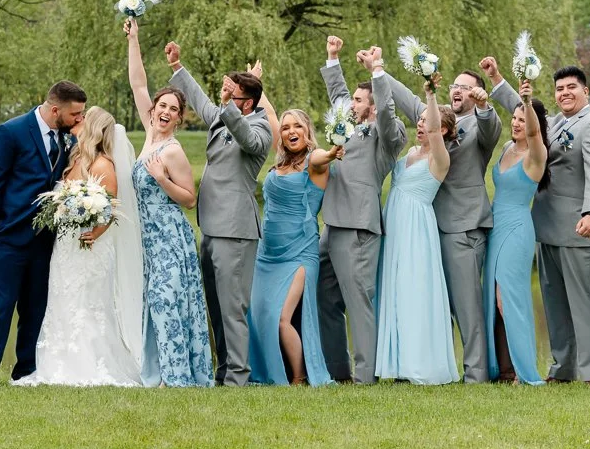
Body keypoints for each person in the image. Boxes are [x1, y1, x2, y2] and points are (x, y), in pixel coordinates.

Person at [487, 60, 590, 383]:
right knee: (554, 305)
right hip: (543, 227)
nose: (565, 93)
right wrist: (498, 80)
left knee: (583, 305)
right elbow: (525, 114)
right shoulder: (554, 125)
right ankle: (562, 368)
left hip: (576, 227)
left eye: (572, 87)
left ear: (585, 91)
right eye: (559, 89)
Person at [381, 64, 501, 382]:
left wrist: (486, 104)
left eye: (465, 87)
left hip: (462, 225)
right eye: (454, 86)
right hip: (423, 226)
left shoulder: (481, 125)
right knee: (430, 301)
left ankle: (476, 373)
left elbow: (491, 127)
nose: (457, 90)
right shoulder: (436, 115)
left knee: (467, 304)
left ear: (476, 95)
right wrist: (379, 71)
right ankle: (433, 364)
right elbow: (408, 99)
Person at [164, 42, 273, 387]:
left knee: (232, 308)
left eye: (233, 95)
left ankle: (238, 376)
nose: (224, 99)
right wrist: (178, 67)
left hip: (236, 230)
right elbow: (199, 100)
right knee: (215, 307)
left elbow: (248, 140)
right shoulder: (224, 119)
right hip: (210, 226)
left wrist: (229, 106)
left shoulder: (260, 128)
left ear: (248, 103)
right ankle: (224, 369)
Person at [13, 106, 146, 387]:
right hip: (65, 246)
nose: (77, 119)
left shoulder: (102, 164)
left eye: (84, 117)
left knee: (88, 303)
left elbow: (110, 208)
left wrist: (95, 233)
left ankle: (88, 362)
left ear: (93, 127)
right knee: (62, 300)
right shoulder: (76, 158)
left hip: (89, 248)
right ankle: (56, 362)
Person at [0, 80, 88, 384]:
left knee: (35, 309)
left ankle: (26, 373)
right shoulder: (11, 132)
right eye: (75, 113)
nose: (80, 119)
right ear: (54, 109)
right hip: (7, 237)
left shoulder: (68, 139)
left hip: (44, 240)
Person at [125, 19, 212, 387]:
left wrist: (163, 180)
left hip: (171, 237)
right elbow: (138, 82)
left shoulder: (173, 150)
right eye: (161, 105)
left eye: (172, 109)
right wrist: (134, 39)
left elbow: (190, 200)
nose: (163, 111)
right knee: (151, 303)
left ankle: (178, 376)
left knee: (167, 303)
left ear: (179, 117)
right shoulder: (148, 135)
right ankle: (157, 372)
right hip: (146, 237)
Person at [316, 39, 407, 385]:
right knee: (324, 295)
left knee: (358, 301)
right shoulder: (348, 125)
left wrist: (378, 72)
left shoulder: (388, 134)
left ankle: (366, 375)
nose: (349, 104)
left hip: (358, 225)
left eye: (357, 100)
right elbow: (339, 96)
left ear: (371, 106)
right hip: (332, 222)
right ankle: (337, 370)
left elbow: (386, 112)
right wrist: (333, 58)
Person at [247, 109, 342, 385]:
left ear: (307, 130)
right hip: (267, 254)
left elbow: (323, 156)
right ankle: (268, 371)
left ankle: (299, 378)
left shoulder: (314, 160)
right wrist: (256, 84)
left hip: (299, 252)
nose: (291, 131)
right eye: (286, 127)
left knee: (281, 318)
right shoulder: (282, 161)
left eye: (297, 126)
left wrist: (334, 151)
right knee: (259, 315)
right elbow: (270, 113)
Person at [376, 77, 459, 385]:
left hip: (417, 229)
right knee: (395, 289)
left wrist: (430, 95)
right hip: (395, 224)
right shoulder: (408, 152)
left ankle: (419, 364)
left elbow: (435, 130)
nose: (422, 125)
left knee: (416, 290)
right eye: (420, 119)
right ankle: (397, 365)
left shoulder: (440, 158)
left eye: (428, 121)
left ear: (444, 129)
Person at [483, 79, 549, 385]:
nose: (517, 123)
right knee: (492, 300)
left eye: (523, 119)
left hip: (517, 230)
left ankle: (526, 372)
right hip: (495, 229)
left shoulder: (536, 156)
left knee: (507, 299)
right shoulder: (508, 147)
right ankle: (501, 369)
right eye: (515, 118)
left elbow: (535, 133)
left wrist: (526, 99)